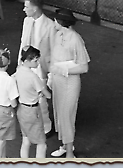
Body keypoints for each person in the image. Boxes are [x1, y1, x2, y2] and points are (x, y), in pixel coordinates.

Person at [47, 8, 90, 158]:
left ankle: (70, 153)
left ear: (60, 22)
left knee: (67, 116)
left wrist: (63, 70)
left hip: (70, 83)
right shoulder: (57, 35)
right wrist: (52, 76)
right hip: (58, 82)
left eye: (55, 20)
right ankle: (64, 146)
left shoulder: (76, 39)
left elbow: (84, 67)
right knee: (59, 114)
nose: (53, 22)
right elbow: (54, 59)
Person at [18, 0, 56, 136]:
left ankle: (46, 127)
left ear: (35, 8)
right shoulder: (27, 21)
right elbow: (23, 44)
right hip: (27, 67)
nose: (24, 9)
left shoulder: (50, 26)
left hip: (41, 70)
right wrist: (19, 65)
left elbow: (53, 52)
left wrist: (51, 77)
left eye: (26, 6)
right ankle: (34, 124)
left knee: (41, 102)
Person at [13, 46, 51, 158]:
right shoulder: (33, 77)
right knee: (41, 143)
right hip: (33, 111)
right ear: (26, 61)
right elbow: (47, 95)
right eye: (35, 60)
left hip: (22, 110)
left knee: (26, 140)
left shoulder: (18, 72)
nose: (38, 63)